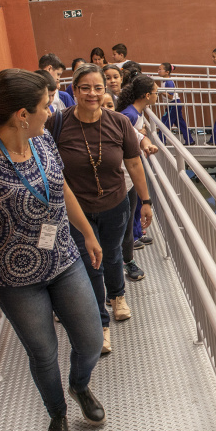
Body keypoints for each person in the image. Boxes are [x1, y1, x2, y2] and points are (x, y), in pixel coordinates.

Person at [0, 69, 105, 431]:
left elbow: (62, 188)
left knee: (89, 340)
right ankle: (56, 413)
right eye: (45, 106)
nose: (50, 111)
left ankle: (79, 386)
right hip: (17, 279)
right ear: (22, 114)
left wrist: (87, 232)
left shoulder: (44, 143)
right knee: (43, 353)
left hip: (64, 261)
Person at [47, 63, 154, 354]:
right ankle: (101, 325)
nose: (92, 93)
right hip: (77, 211)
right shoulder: (57, 123)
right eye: (85, 88)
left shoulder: (118, 122)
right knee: (90, 262)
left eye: (98, 88)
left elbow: (133, 163)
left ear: (105, 90)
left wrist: (145, 202)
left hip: (116, 204)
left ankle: (118, 296)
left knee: (113, 254)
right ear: (74, 90)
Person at [116, 74, 161, 280]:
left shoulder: (137, 113)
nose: (157, 95)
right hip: (125, 175)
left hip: (130, 174)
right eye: (155, 93)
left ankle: (134, 237)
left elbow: (138, 136)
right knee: (126, 216)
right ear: (145, 95)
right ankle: (130, 246)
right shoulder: (130, 115)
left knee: (132, 210)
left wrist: (144, 139)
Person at [158, 62, 195, 145]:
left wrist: (160, 91)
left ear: (167, 72)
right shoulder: (164, 81)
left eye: (160, 69)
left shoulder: (169, 82)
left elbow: (171, 96)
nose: (158, 71)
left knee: (164, 122)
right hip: (173, 104)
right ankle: (189, 140)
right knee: (180, 123)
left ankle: (161, 141)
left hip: (173, 104)